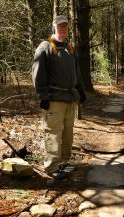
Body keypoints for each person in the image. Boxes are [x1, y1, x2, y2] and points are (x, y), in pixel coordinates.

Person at [32, 15, 86, 180]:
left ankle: (63, 163)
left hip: (70, 98)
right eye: (60, 27)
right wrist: (43, 96)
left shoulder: (69, 48)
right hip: (54, 98)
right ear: (54, 27)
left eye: (65, 27)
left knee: (67, 133)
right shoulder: (46, 47)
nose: (63, 29)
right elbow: (37, 72)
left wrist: (81, 91)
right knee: (53, 133)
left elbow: (77, 72)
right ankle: (52, 166)